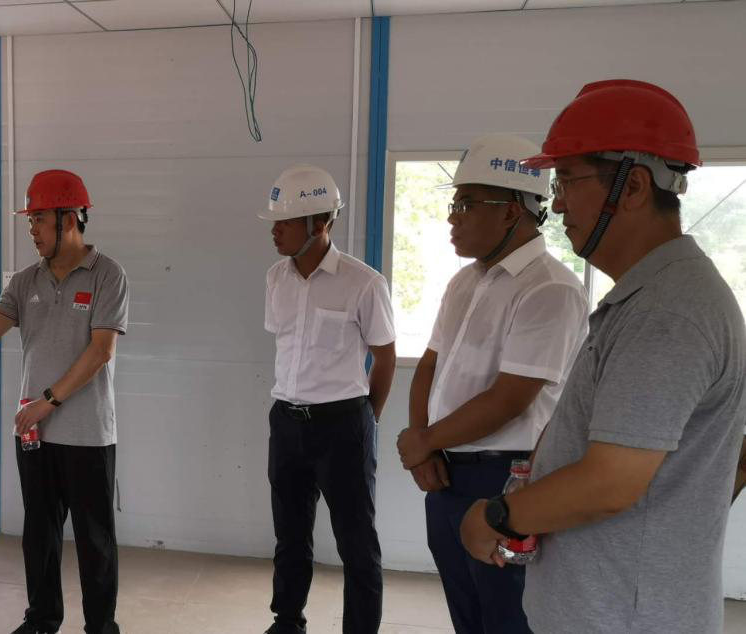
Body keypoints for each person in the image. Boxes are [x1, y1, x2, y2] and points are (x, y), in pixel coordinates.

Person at [458, 80, 746, 634]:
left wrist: (496, 516)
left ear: (632, 186)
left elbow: (610, 483)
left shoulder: (667, 312)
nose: (557, 202)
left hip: (625, 618)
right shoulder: (650, 296)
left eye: (568, 180)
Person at [395, 134, 588, 633]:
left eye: (466, 204)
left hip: (507, 478)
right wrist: (423, 445)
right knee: (467, 612)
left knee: (507, 615)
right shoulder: (465, 282)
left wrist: (424, 441)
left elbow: (510, 399)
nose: (452, 218)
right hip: (446, 471)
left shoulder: (550, 288)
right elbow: (430, 365)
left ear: (511, 211)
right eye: (453, 205)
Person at [0, 169, 128, 634]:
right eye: (30, 220)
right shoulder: (23, 281)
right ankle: (41, 620)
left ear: (70, 218)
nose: (31, 229)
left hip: (89, 434)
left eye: (38, 219)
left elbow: (100, 351)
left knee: (95, 540)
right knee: (40, 535)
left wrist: (47, 401)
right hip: (35, 434)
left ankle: (101, 627)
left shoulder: (107, 275)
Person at [259, 165, 396, 634]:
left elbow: (385, 356)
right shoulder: (276, 278)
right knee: (290, 534)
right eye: (274, 220)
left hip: (343, 426)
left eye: (285, 221)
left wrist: (368, 420)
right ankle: (287, 621)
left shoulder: (364, 283)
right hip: (286, 421)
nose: (275, 230)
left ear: (319, 223)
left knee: (356, 541)